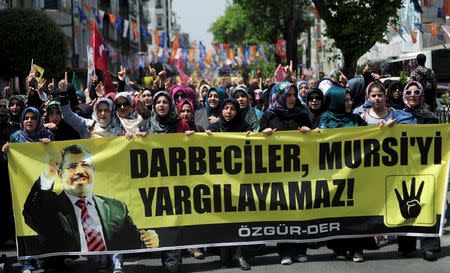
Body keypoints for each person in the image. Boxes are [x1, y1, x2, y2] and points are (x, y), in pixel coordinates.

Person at [22, 144, 158, 252]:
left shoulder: (117, 208)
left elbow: (131, 243)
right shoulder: (50, 206)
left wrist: (146, 240)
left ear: (94, 171)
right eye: (72, 166)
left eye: (85, 165)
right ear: (60, 174)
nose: (80, 171)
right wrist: (48, 174)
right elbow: (30, 213)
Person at [259, 82, 312, 265]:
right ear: (279, 95)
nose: (291, 98)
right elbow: (258, 143)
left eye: (293, 94)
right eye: (287, 95)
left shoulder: (302, 114)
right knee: (283, 212)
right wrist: (263, 134)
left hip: (300, 171)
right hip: (278, 172)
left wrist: (308, 132)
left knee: (301, 210)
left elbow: (315, 141)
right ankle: (285, 252)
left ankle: (300, 249)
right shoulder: (269, 115)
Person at [387, 81, 440, 261]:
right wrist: (387, 127)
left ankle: (430, 246)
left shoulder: (431, 117)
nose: (412, 95)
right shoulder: (396, 115)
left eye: (416, 92)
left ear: (421, 96)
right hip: (403, 167)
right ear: (403, 96)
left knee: (428, 204)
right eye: (408, 92)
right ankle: (406, 245)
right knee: (404, 204)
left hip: (426, 168)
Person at [2, 106, 54, 273]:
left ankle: (44, 258)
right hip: (22, 188)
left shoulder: (47, 135)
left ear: (38, 120)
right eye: (26, 118)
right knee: (24, 222)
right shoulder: (16, 137)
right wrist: (5, 152)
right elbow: (8, 161)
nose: (29, 121)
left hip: (43, 189)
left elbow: (55, 157)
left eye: (33, 118)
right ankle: (26, 261)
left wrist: (49, 145)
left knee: (43, 222)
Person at [206, 99, 252, 270]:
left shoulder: (244, 128)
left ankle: (240, 255)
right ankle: (225, 253)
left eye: (232, 109)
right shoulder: (213, 129)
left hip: (240, 181)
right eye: (225, 108)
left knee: (239, 217)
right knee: (223, 217)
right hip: (220, 181)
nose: (228, 111)